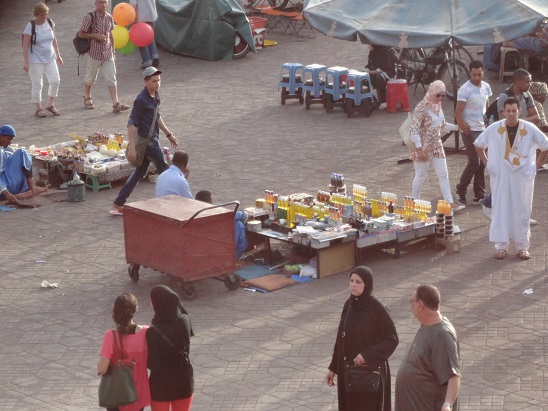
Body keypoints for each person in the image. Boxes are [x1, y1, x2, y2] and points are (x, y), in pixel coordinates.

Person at [474, 97, 548, 260]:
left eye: (514, 110)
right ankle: (501, 247)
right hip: (501, 176)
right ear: (503, 112)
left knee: (522, 209)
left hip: (522, 178)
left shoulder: (529, 128)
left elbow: (545, 145)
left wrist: (536, 165)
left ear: (519, 111)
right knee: (501, 209)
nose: (511, 114)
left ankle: (522, 247)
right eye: (508, 111)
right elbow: (478, 144)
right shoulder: (494, 129)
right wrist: (488, 164)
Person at [326, 266, 399, 411]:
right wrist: (333, 367)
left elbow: (392, 339)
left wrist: (367, 355)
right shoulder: (349, 305)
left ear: (367, 284)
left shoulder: (378, 309)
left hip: (370, 373)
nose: (353, 284)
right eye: (351, 281)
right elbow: (341, 338)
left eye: (358, 282)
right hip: (349, 372)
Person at [111, 67, 178, 215]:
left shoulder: (156, 96)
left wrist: (168, 134)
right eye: (154, 81)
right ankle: (176, 201)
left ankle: (118, 202)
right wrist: (133, 148)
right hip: (148, 143)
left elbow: (157, 116)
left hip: (152, 140)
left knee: (139, 173)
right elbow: (131, 124)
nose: (157, 84)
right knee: (165, 170)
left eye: (159, 81)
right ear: (145, 82)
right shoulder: (141, 100)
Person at [395, 284, 461, 411]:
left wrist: (447, 404)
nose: (410, 305)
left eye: (411, 301)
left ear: (420, 305)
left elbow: (453, 376)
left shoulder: (442, 335)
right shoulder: (427, 326)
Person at [409, 80, 464, 211]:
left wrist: (458, 128)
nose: (440, 98)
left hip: (436, 145)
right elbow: (414, 129)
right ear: (431, 93)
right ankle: (414, 202)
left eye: (442, 96)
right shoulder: (421, 107)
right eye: (437, 95)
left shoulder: (437, 106)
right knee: (420, 175)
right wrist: (419, 149)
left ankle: (449, 202)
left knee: (443, 174)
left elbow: (442, 125)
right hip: (423, 146)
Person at [97, 293, 151, 411]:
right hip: (138, 394)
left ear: (115, 312)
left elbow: (102, 369)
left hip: (118, 396)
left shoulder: (110, 336)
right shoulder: (146, 332)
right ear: (134, 310)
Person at [147, 285, 194, 411]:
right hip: (184, 382)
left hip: (161, 386)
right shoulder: (185, 319)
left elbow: (152, 364)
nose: (150, 302)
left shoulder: (153, 331)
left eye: (152, 299)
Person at [78, 0, 129, 113]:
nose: (104, 5)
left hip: (107, 53)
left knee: (111, 78)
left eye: (105, 2)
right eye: (101, 2)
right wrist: (94, 36)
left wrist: (113, 51)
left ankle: (115, 103)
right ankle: (87, 96)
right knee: (91, 78)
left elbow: (110, 34)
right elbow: (81, 34)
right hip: (94, 53)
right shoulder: (89, 17)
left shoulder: (109, 17)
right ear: (95, 3)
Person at [454, 60, 492, 206]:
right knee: (474, 162)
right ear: (470, 73)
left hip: (483, 129)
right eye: (474, 74)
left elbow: (486, 105)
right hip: (470, 130)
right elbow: (458, 113)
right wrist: (464, 128)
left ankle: (479, 194)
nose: (477, 77)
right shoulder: (464, 90)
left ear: (483, 72)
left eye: (479, 74)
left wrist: (487, 121)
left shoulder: (486, 87)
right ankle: (460, 190)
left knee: (482, 163)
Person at [22, 2, 63, 117]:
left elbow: (54, 39)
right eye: (41, 15)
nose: (44, 17)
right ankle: (38, 108)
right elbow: (25, 45)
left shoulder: (50, 22)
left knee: (55, 80)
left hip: (50, 57)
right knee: (37, 83)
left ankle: (50, 104)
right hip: (35, 59)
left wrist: (58, 55)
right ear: (36, 15)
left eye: (45, 14)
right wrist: (26, 62)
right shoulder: (30, 26)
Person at [195, 190, 250, 260]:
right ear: (209, 201)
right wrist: (245, 214)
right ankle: (235, 258)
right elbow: (230, 216)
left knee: (236, 222)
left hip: (206, 239)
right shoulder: (210, 211)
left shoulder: (195, 210)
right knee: (239, 225)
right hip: (215, 241)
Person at [0, 125, 48, 205]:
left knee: (11, 150)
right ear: (1, 137)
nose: (9, 142)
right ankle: (32, 187)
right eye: (8, 139)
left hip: (5, 186)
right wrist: (7, 194)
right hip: (4, 189)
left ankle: (23, 192)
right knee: (22, 152)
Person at [129, 0, 160, 68]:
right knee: (150, 38)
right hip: (152, 16)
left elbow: (133, 3)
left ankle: (147, 61)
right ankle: (155, 57)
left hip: (140, 18)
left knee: (141, 40)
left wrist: (133, 17)